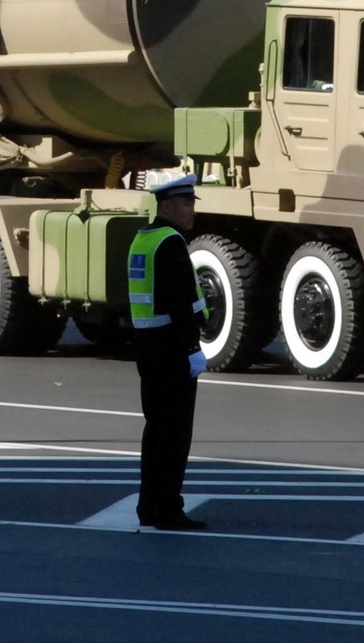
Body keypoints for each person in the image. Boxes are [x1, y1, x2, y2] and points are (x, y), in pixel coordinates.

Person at [128, 174, 210, 531]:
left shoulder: (142, 239)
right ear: (166, 206)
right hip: (171, 347)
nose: (192, 210)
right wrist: (192, 348)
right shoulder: (171, 242)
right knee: (175, 435)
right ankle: (169, 510)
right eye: (186, 203)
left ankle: (148, 507)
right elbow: (180, 302)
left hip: (147, 345)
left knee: (155, 430)